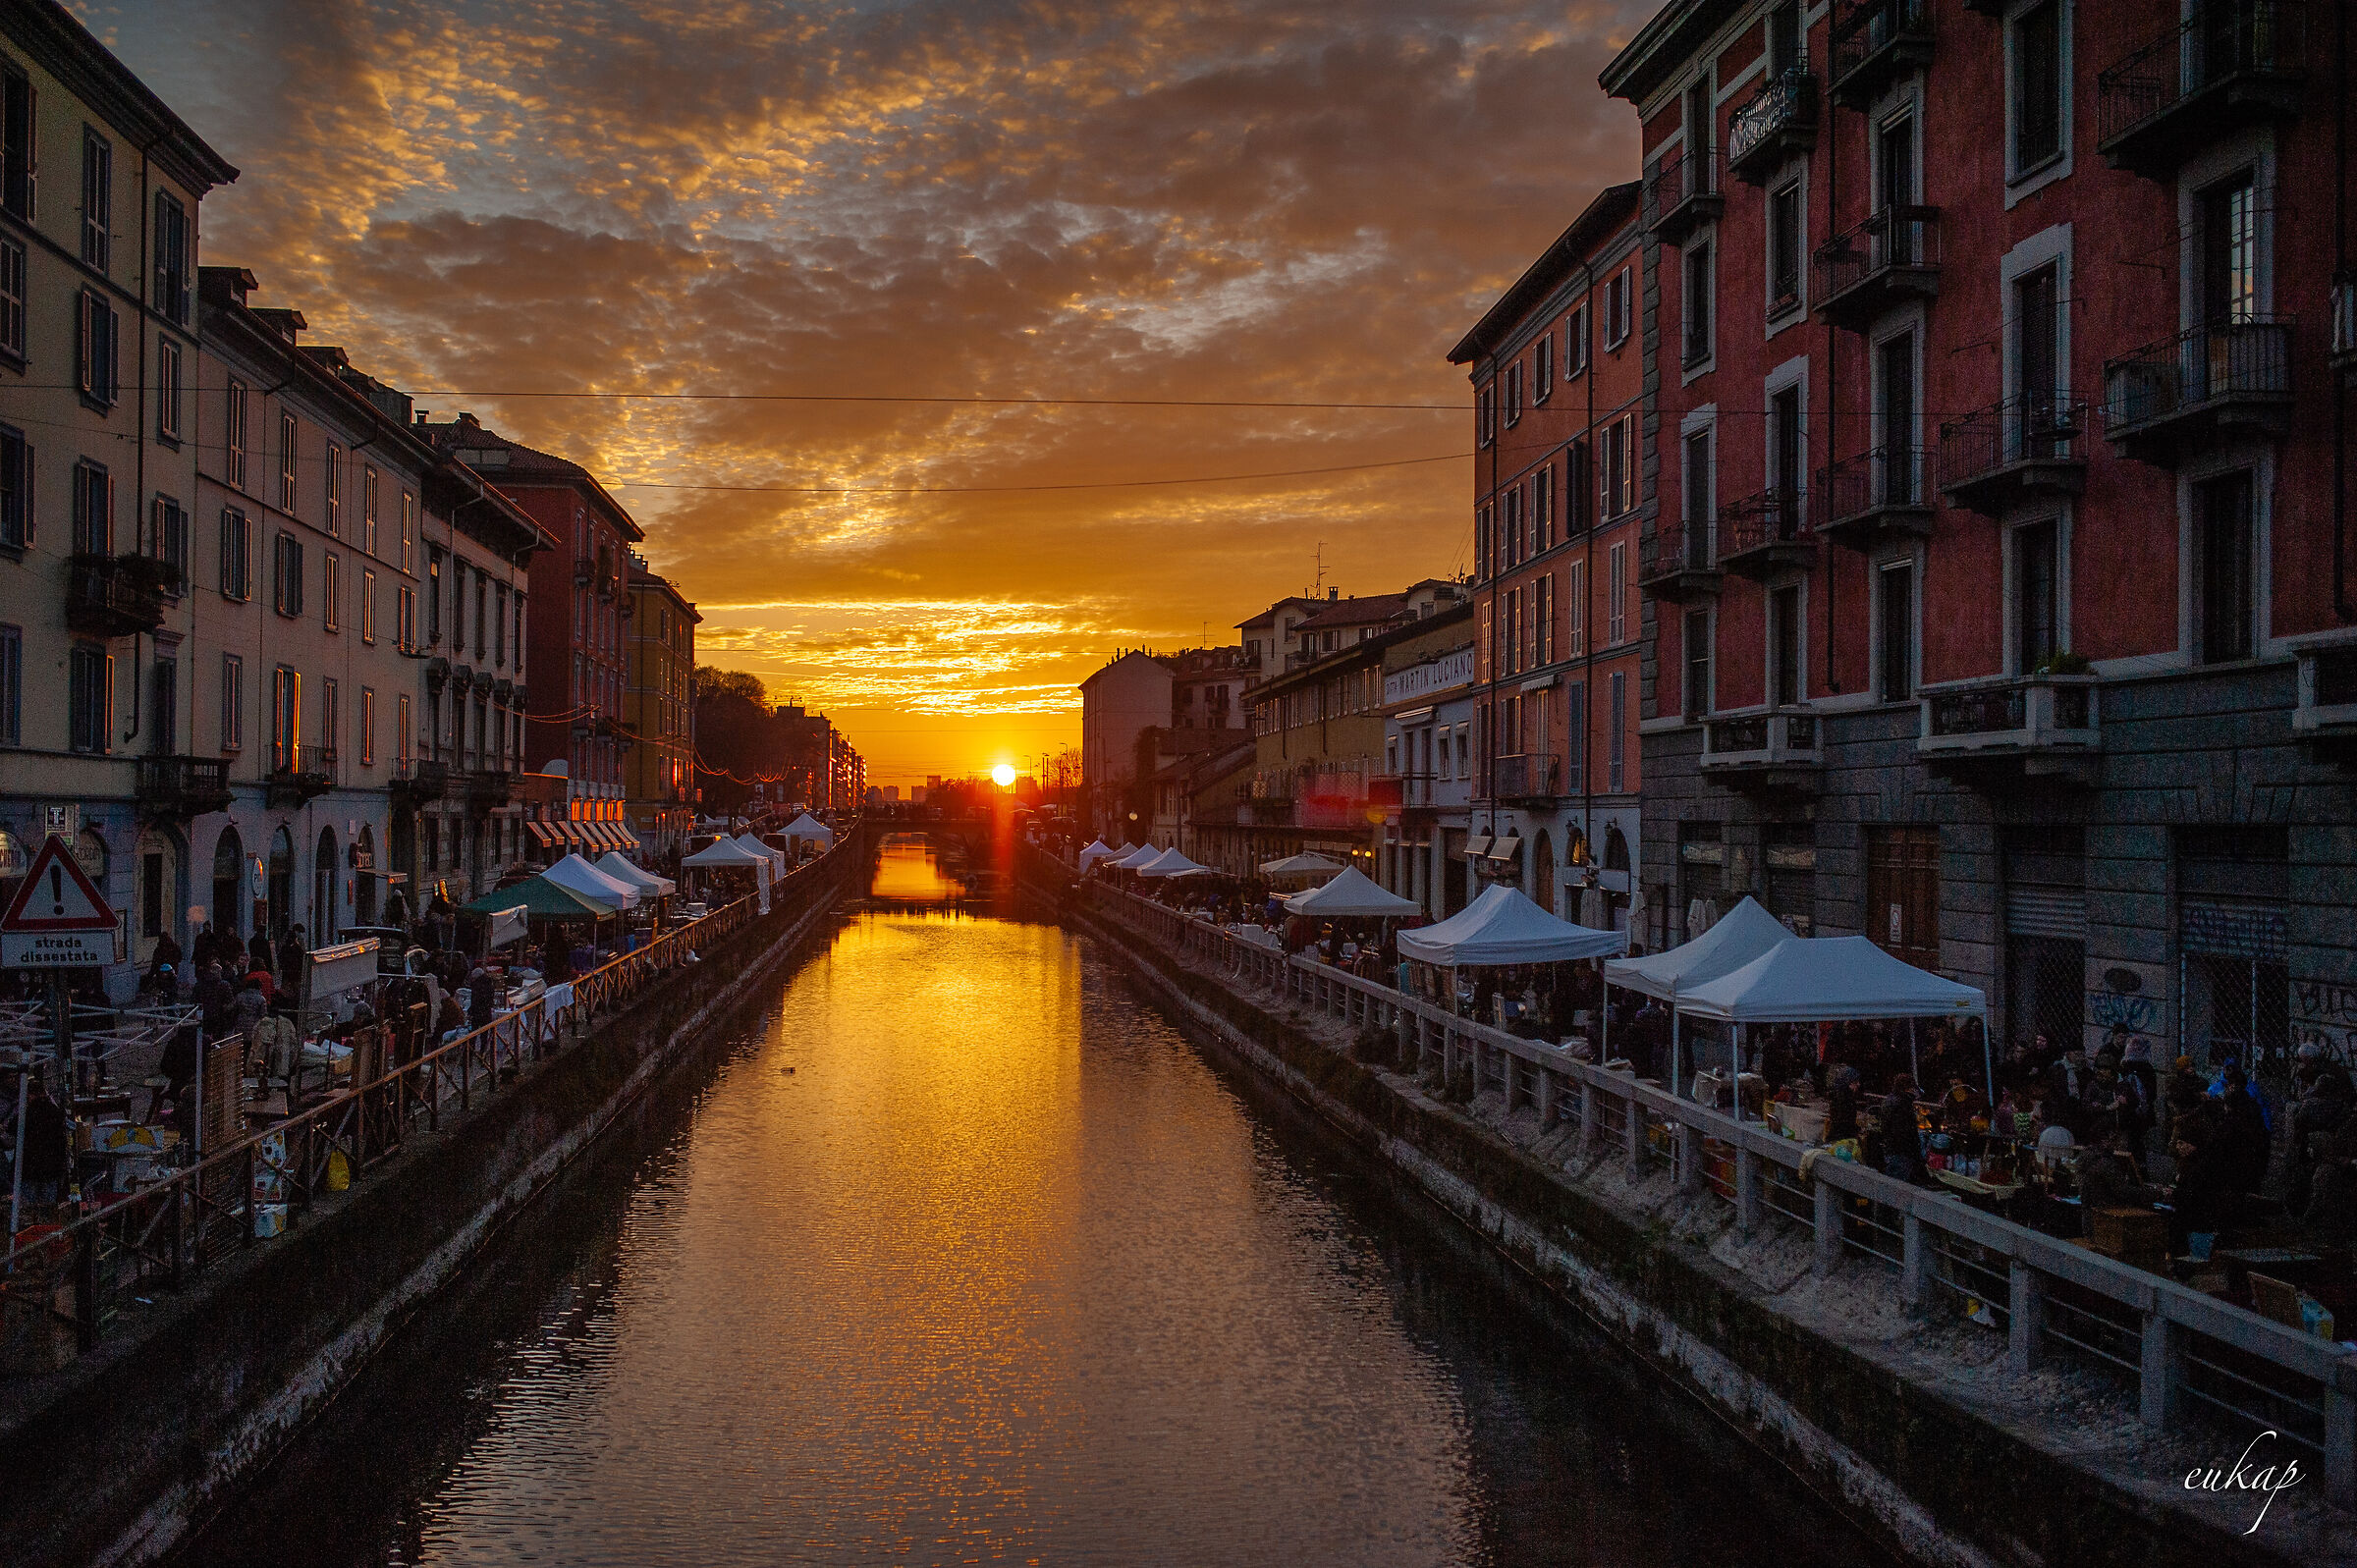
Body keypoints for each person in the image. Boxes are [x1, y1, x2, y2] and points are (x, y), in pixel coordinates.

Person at [2074, 1127, 2162, 1233]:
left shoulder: (2086, 1158)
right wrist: (2153, 1193)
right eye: (2115, 1140)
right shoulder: (2104, 1163)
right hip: (2106, 1217)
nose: (2120, 1144)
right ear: (2104, 1141)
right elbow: (2122, 1190)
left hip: (2090, 1215)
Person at [15, 1074, 72, 1210]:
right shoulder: (55, 1110)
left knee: (28, 1206)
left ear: (30, 1094)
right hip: (51, 1167)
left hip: (31, 1167)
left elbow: (13, 1127)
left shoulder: (29, 1112)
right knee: (48, 1205)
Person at [1878, 1074, 1924, 1184]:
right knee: (1898, 1184)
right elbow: (1906, 1131)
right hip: (1902, 1151)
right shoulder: (1903, 1104)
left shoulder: (1889, 1100)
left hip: (1891, 1148)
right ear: (1909, 1088)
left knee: (1892, 1182)